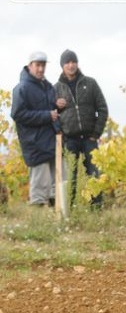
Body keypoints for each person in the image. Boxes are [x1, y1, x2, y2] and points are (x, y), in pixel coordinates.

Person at [54, 49, 109, 207]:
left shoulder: (90, 83)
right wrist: (61, 134)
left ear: (77, 64)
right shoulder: (56, 89)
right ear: (62, 66)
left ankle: (96, 209)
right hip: (69, 140)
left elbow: (102, 109)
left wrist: (96, 133)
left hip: (89, 139)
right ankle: (69, 209)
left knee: (94, 174)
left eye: (73, 62)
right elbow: (52, 115)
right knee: (70, 175)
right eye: (67, 62)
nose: (71, 65)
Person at [10, 51, 59, 207]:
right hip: (34, 143)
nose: (40, 69)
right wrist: (47, 116)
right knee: (39, 188)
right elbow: (18, 114)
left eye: (43, 65)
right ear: (30, 66)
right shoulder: (21, 88)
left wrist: (59, 108)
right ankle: (37, 224)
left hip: (51, 141)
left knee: (54, 187)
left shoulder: (48, 87)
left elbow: (53, 112)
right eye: (37, 65)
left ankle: (55, 222)